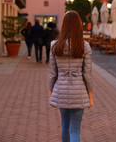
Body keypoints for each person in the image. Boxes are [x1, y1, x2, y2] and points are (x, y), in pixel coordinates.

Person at [49, 11, 93, 142]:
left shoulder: (55, 45)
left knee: (64, 125)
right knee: (75, 129)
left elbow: (52, 73)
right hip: (78, 91)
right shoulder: (84, 46)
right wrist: (90, 96)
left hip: (61, 90)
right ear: (79, 26)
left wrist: (51, 93)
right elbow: (87, 73)